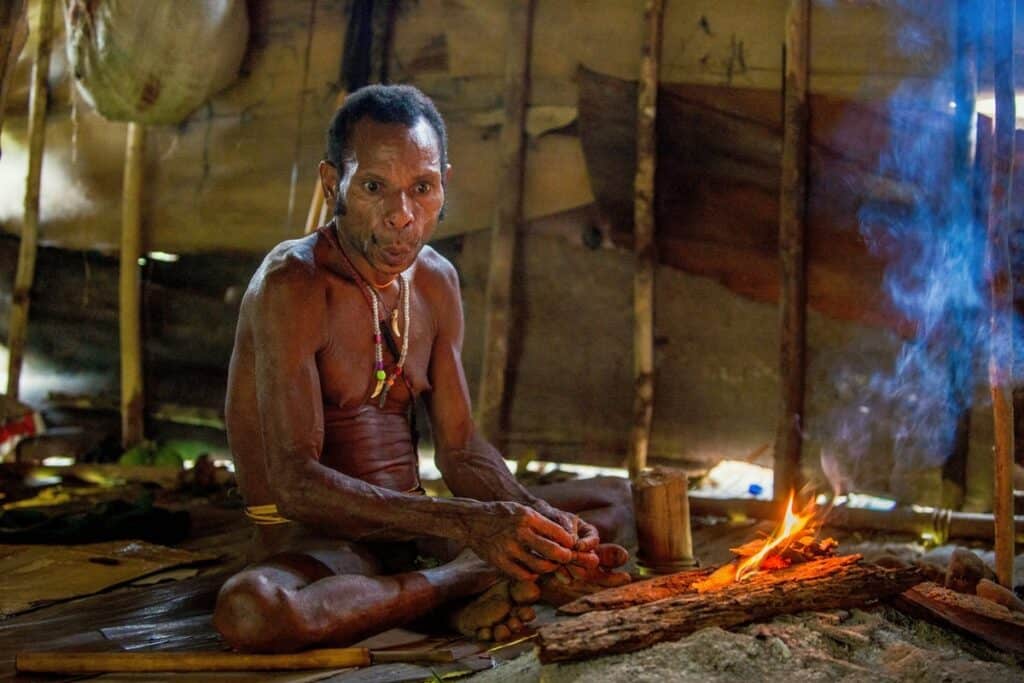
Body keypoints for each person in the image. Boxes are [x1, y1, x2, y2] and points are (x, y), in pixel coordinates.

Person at [213, 84, 633, 653]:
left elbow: (459, 448)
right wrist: (472, 534)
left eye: (422, 188)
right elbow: (294, 486)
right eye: (373, 188)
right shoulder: (294, 284)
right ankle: (460, 584)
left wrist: (536, 522)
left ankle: (447, 586)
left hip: (418, 529)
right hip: (325, 546)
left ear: (444, 185)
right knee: (253, 611)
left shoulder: (435, 280)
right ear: (332, 182)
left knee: (610, 502)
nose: (401, 216)